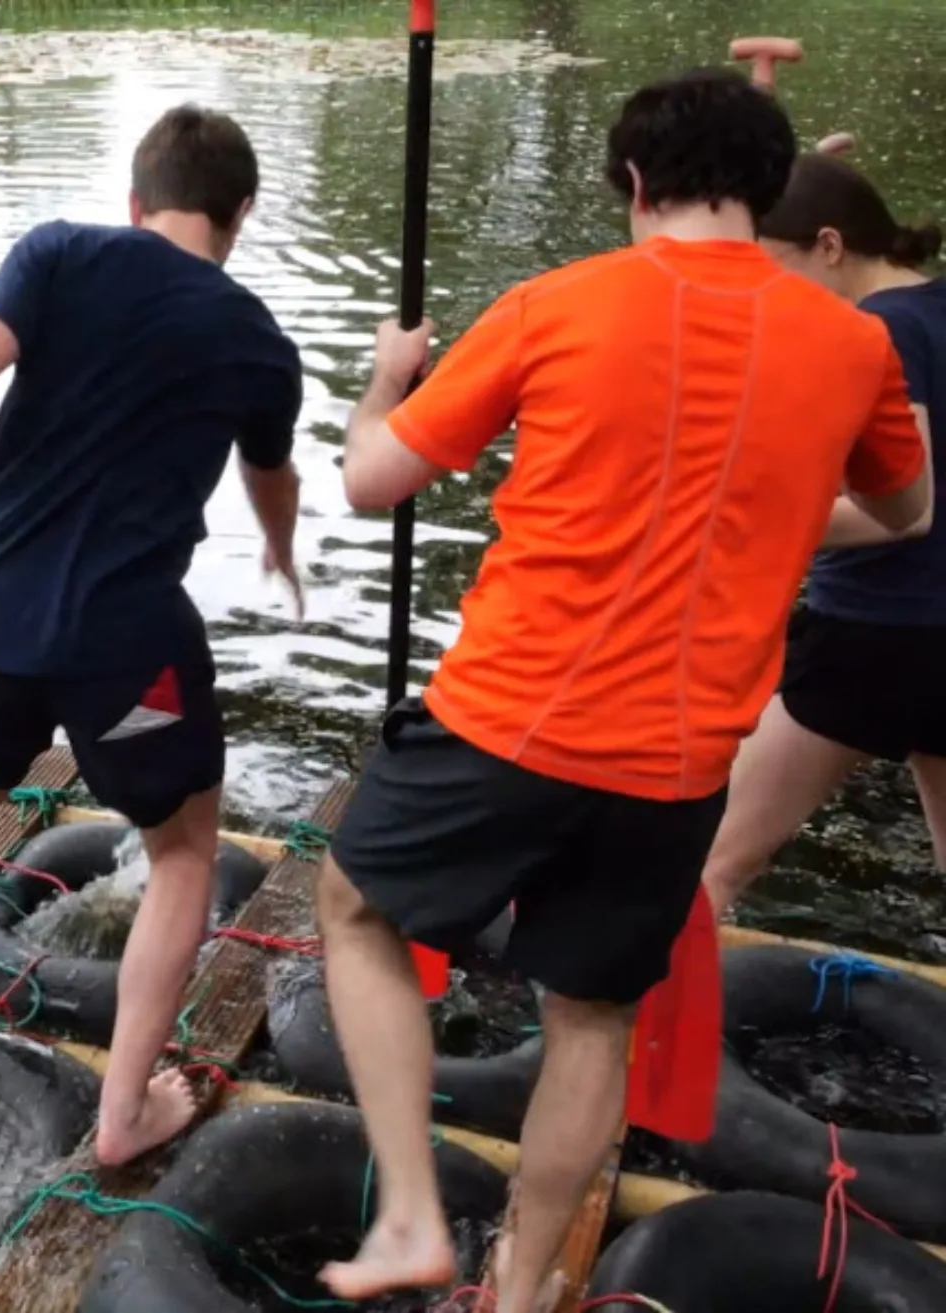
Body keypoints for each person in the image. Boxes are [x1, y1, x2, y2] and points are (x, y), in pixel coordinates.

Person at [314, 69, 930, 1311]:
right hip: (682, 766)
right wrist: (762, 499)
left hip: (508, 716)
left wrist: (387, 377)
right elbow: (906, 512)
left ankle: (414, 1218)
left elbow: (372, 481)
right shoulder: (857, 343)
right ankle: (526, 1282)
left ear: (635, 185)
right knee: (592, 1018)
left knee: (354, 910)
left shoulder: (556, 303)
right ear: (766, 194)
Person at [0, 104, 305, 1168]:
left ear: (136, 202)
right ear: (241, 213)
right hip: (127, 657)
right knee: (183, 851)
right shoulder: (257, 339)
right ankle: (124, 1110)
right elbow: (270, 478)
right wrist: (279, 550)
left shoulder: (58, 252)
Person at [701, 154, 941, 914]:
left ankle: (649, 1031)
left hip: (876, 636)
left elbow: (908, 507)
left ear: (831, 245)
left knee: (709, 860)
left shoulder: (881, 329)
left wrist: (741, 526)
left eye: (777, 269)